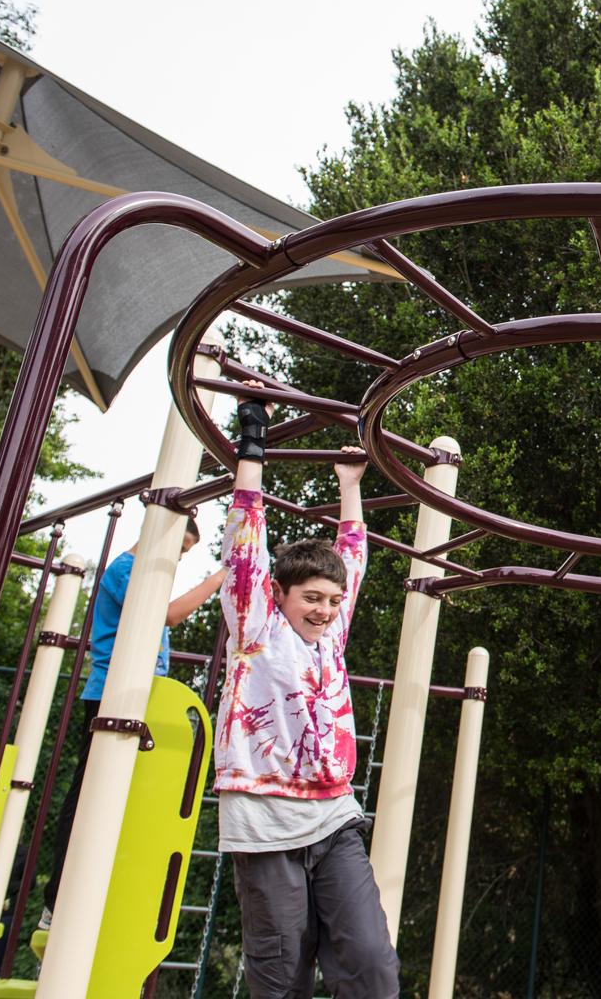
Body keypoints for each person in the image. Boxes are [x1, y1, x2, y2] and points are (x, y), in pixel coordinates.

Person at [215, 382, 398, 998]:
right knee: (281, 970)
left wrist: (350, 486)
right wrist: (254, 439)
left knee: (371, 961)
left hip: (332, 813)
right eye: (312, 599)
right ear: (280, 596)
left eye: (331, 600)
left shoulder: (331, 637)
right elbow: (245, 539)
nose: (324, 610)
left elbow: (354, 556)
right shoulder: (257, 627)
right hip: (264, 818)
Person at [36, 514, 226, 927]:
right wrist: (218, 578)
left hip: (139, 693)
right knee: (89, 790)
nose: (177, 560)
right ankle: (58, 898)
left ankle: (96, 890)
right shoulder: (125, 571)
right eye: (178, 550)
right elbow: (169, 616)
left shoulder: (142, 576)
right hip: (112, 692)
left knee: (122, 794)